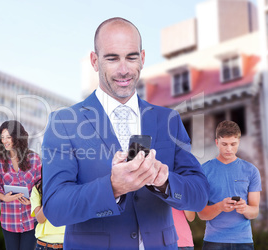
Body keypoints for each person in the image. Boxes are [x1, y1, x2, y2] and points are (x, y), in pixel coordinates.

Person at [41, 17, 209, 249]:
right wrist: (112, 187)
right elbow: (55, 208)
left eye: (131, 57)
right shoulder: (64, 122)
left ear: (142, 58)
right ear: (95, 60)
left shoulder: (168, 120)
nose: (123, 70)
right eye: (112, 58)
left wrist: (165, 182)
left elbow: (199, 195)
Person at [198, 120, 261, 249]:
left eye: (233, 144)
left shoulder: (251, 170)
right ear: (216, 142)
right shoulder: (203, 171)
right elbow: (202, 214)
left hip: (243, 241)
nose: (229, 149)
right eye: (224, 144)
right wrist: (220, 206)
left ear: (239, 142)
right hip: (213, 242)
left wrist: (245, 208)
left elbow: (254, 211)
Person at [0, 120, 42, 250]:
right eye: (2, 137)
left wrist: (31, 200)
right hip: (9, 221)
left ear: (17, 138)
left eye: (8, 137)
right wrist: (3, 197)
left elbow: (41, 186)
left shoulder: (34, 159)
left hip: (30, 221)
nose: (5, 141)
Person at [30, 172, 65, 250]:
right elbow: (40, 219)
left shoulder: (70, 188)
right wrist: (51, 194)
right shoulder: (37, 189)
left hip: (67, 243)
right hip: (44, 245)